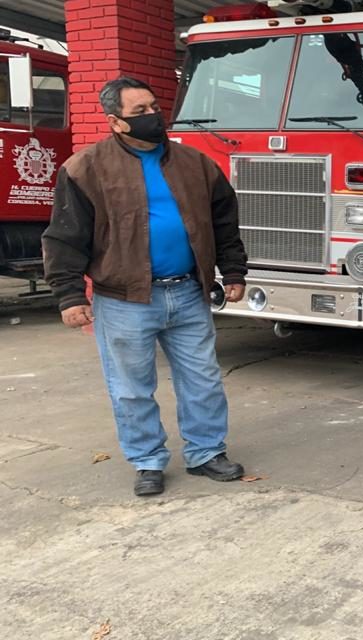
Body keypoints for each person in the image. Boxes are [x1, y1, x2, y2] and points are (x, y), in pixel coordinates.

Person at [42, 76, 249, 497]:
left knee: (204, 380)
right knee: (132, 389)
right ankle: (147, 460)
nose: (153, 117)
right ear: (116, 122)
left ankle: (206, 452)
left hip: (188, 292)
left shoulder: (197, 164)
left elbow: (225, 222)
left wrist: (233, 272)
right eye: (140, 112)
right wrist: (67, 294)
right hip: (124, 299)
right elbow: (65, 235)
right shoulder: (86, 168)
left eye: (154, 107)